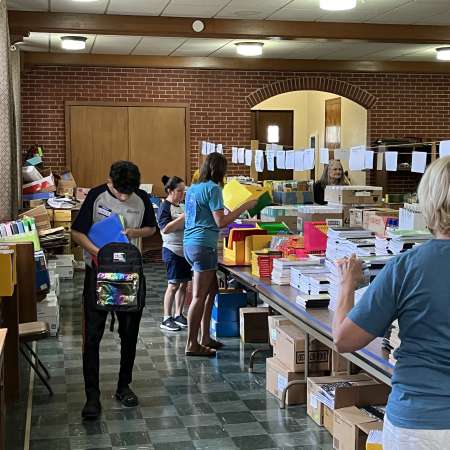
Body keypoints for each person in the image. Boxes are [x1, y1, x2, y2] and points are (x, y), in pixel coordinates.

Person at [332, 156, 450, 449]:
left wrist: (347, 285)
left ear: (428, 202)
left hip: (418, 422)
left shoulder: (407, 267)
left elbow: (344, 339)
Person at [72, 161, 157, 420]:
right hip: (97, 273)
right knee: (92, 337)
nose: (123, 196)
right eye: (120, 191)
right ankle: (92, 397)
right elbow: (77, 232)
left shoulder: (141, 198)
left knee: (129, 334)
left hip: (129, 275)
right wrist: (99, 253)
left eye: (128, 192)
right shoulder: (96, 196)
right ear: (110, 181)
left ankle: (124, 386)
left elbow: (152, 228)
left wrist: (134, 231)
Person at [183, 153, 257, 357]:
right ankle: (191, 343)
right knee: (199, 296)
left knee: (212, 290)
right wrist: (244, 207)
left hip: (190, 244)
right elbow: (221, 222)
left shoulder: (194, 188)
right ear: (220, 171)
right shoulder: (214, 189)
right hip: (203, 246)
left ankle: (205, 337)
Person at [157, 175, 191, 332]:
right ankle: (166, 317)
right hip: (172, 250)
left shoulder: (183, 206)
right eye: (179, 191)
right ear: (170, 191)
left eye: (184, 191)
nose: (182, 194)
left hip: (185, 250)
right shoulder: (165, 207)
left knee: (184, 284)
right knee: (173, 285)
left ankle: (179, 314)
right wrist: (184, 217)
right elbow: (165, 228)